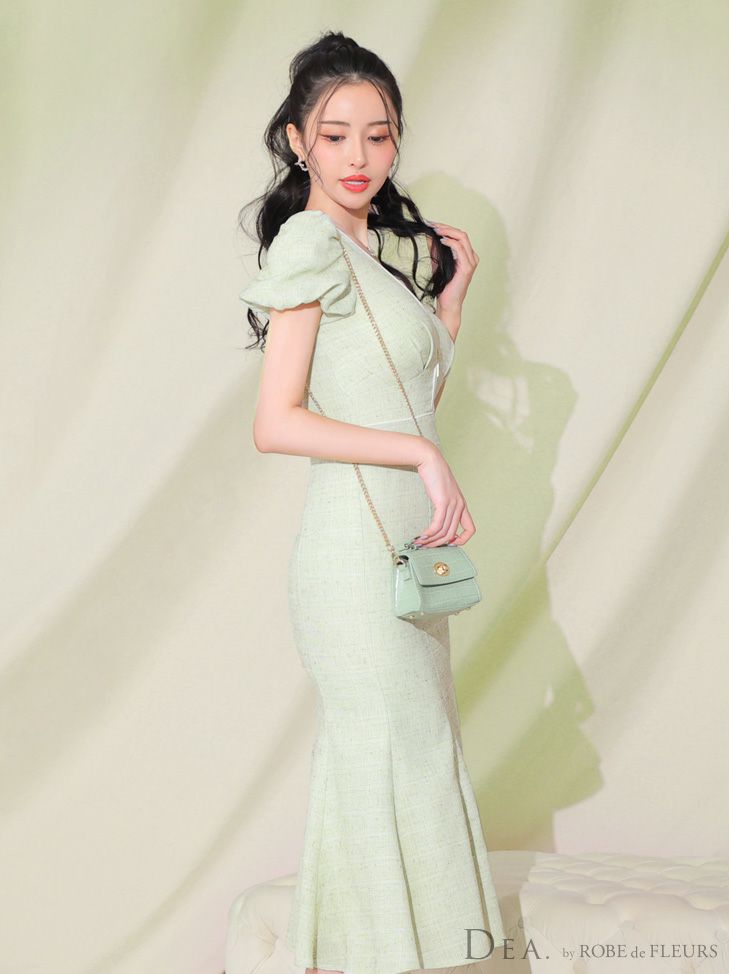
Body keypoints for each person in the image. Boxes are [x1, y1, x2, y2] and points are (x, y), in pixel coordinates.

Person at [237, 30, 506, 974]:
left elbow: (406, 402)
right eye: (336, 134)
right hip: (354, 560)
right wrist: (423, 458)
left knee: (415, 761)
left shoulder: (368, 253)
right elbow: (276, 421)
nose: (360, 156)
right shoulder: (310, 242)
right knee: (386, 765)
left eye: (379, 135)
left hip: (409, 556)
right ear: (297, 141)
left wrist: (451, 306)